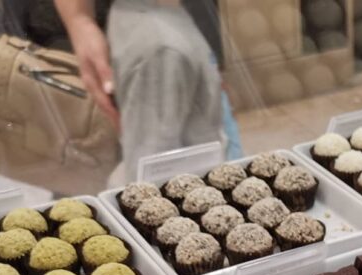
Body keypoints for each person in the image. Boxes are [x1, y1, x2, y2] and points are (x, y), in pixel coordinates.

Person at [46, 0, 242, 178]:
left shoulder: (161, 21)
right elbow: (150, 171)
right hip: (192, 186)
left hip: (203, 166)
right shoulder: (161, 50)